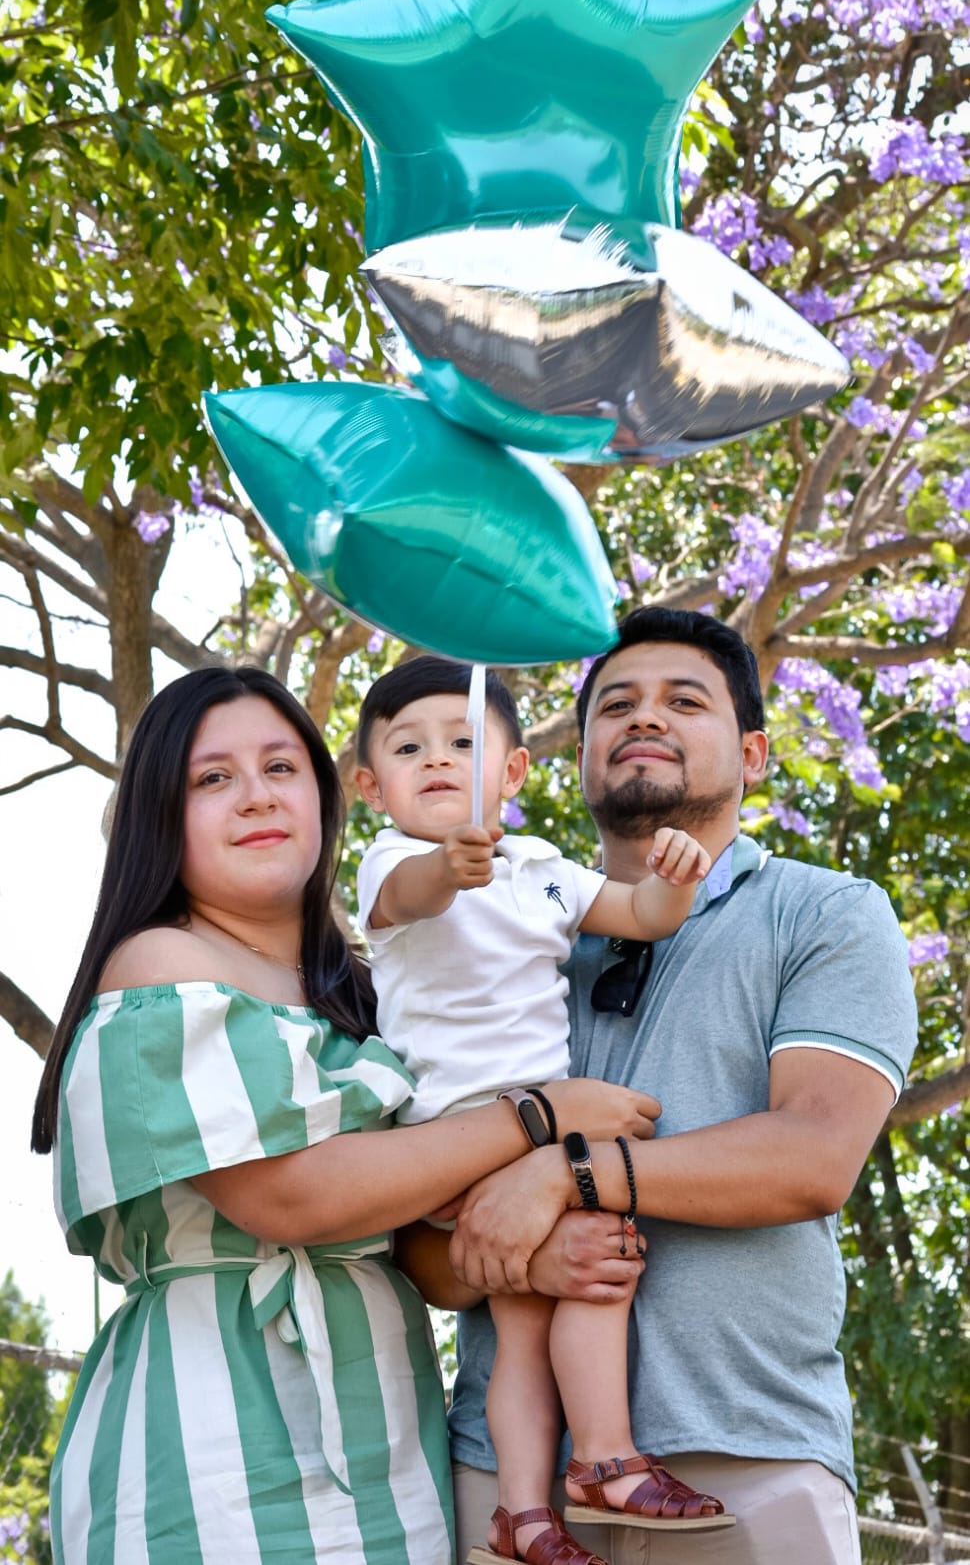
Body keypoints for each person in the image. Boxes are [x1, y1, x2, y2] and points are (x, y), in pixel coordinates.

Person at [31, 665, 658, 1565]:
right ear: (159, 812)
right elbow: (289, 1199)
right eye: (214, 778)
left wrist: (529, 1249)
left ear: (326, 799)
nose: (256, 796)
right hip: (216, 1417)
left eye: (282, 768)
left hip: (388, 1427)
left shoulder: (364, 994)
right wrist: (541, 1114)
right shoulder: (161, 962)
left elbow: (420, 1258)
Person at [440, 607, 919, 1565]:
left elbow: (812, 1158)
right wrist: (533, 1260)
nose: (643, 718)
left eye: (682, 700)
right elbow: (423, 1234)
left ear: (753, 753)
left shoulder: (826, 913)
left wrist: (566, 1175)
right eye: (614, 705)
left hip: (748, 1456)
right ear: (578, 757)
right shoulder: (489, 943)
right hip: (514, 1493)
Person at [354, 657, 731, 1565]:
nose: (438, 759)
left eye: (464, 741)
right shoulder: (394, 862)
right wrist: (450, 865)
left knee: (526, 1319)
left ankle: (522, 1516)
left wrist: (676, 876)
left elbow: (641, 911)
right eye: (410, 748)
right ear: (373, 786)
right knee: (604, 1260)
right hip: (463, 1133)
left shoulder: (547, 872)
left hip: (532, 1132)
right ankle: (605, 1455)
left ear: (514, 772)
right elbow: (411, 899)